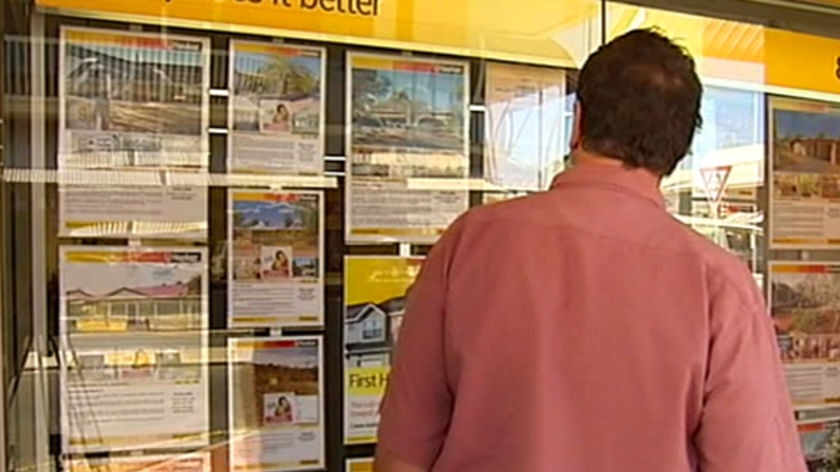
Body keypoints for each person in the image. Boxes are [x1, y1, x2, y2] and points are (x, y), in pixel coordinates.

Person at [374, 29, 805, 472]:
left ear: (578, 122)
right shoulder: (719, 284)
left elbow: (403, 450)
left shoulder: (469, 242)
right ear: (678, 149)